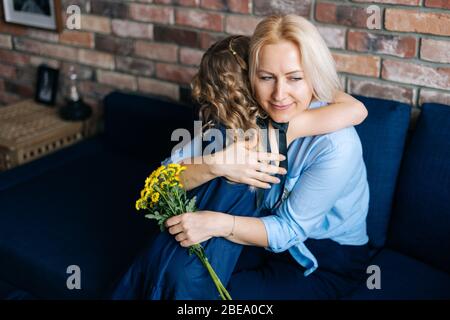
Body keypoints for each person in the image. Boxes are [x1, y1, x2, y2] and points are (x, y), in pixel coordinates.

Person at [112, 15, 369, 300]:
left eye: (295, 78)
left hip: (319, 257)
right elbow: (163, 178)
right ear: (250, 77)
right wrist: (215, 163)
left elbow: (288, 230)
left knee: (212, 296)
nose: (279, 95)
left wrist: (216, 223)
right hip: (257, 237)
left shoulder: (336, 145)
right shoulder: (247, 112)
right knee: (177, 276)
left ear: (314, 77)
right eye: (266, 77)